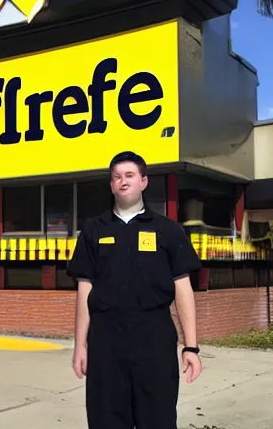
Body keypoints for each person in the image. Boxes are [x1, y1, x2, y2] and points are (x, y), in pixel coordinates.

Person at [66, 151, 202, 429]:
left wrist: (191, 346)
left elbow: (182, 288)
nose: (123, 182)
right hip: (106, 340)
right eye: (116, 177)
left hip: (154, 339)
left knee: (158, 418)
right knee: (106, 418)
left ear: (143, 181)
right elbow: (84, 291)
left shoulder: (168, 230)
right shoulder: (94, 230)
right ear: (111, 185)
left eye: (129, 175)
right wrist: (80, 345)